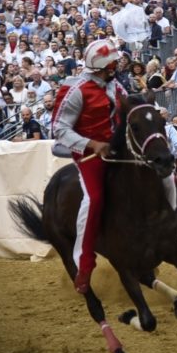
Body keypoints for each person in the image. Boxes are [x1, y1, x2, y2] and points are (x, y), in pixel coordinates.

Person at [51, 39, 127, 294]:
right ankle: (84, 264)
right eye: (113, 62)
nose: (117, 64)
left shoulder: (114, 83)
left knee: (163, 178)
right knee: (94, 199)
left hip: (117, 148)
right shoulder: (75, 89)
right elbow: (59, 128)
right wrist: (92, 144)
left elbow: (128, 108)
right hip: (89, 155)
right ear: (102, 66)